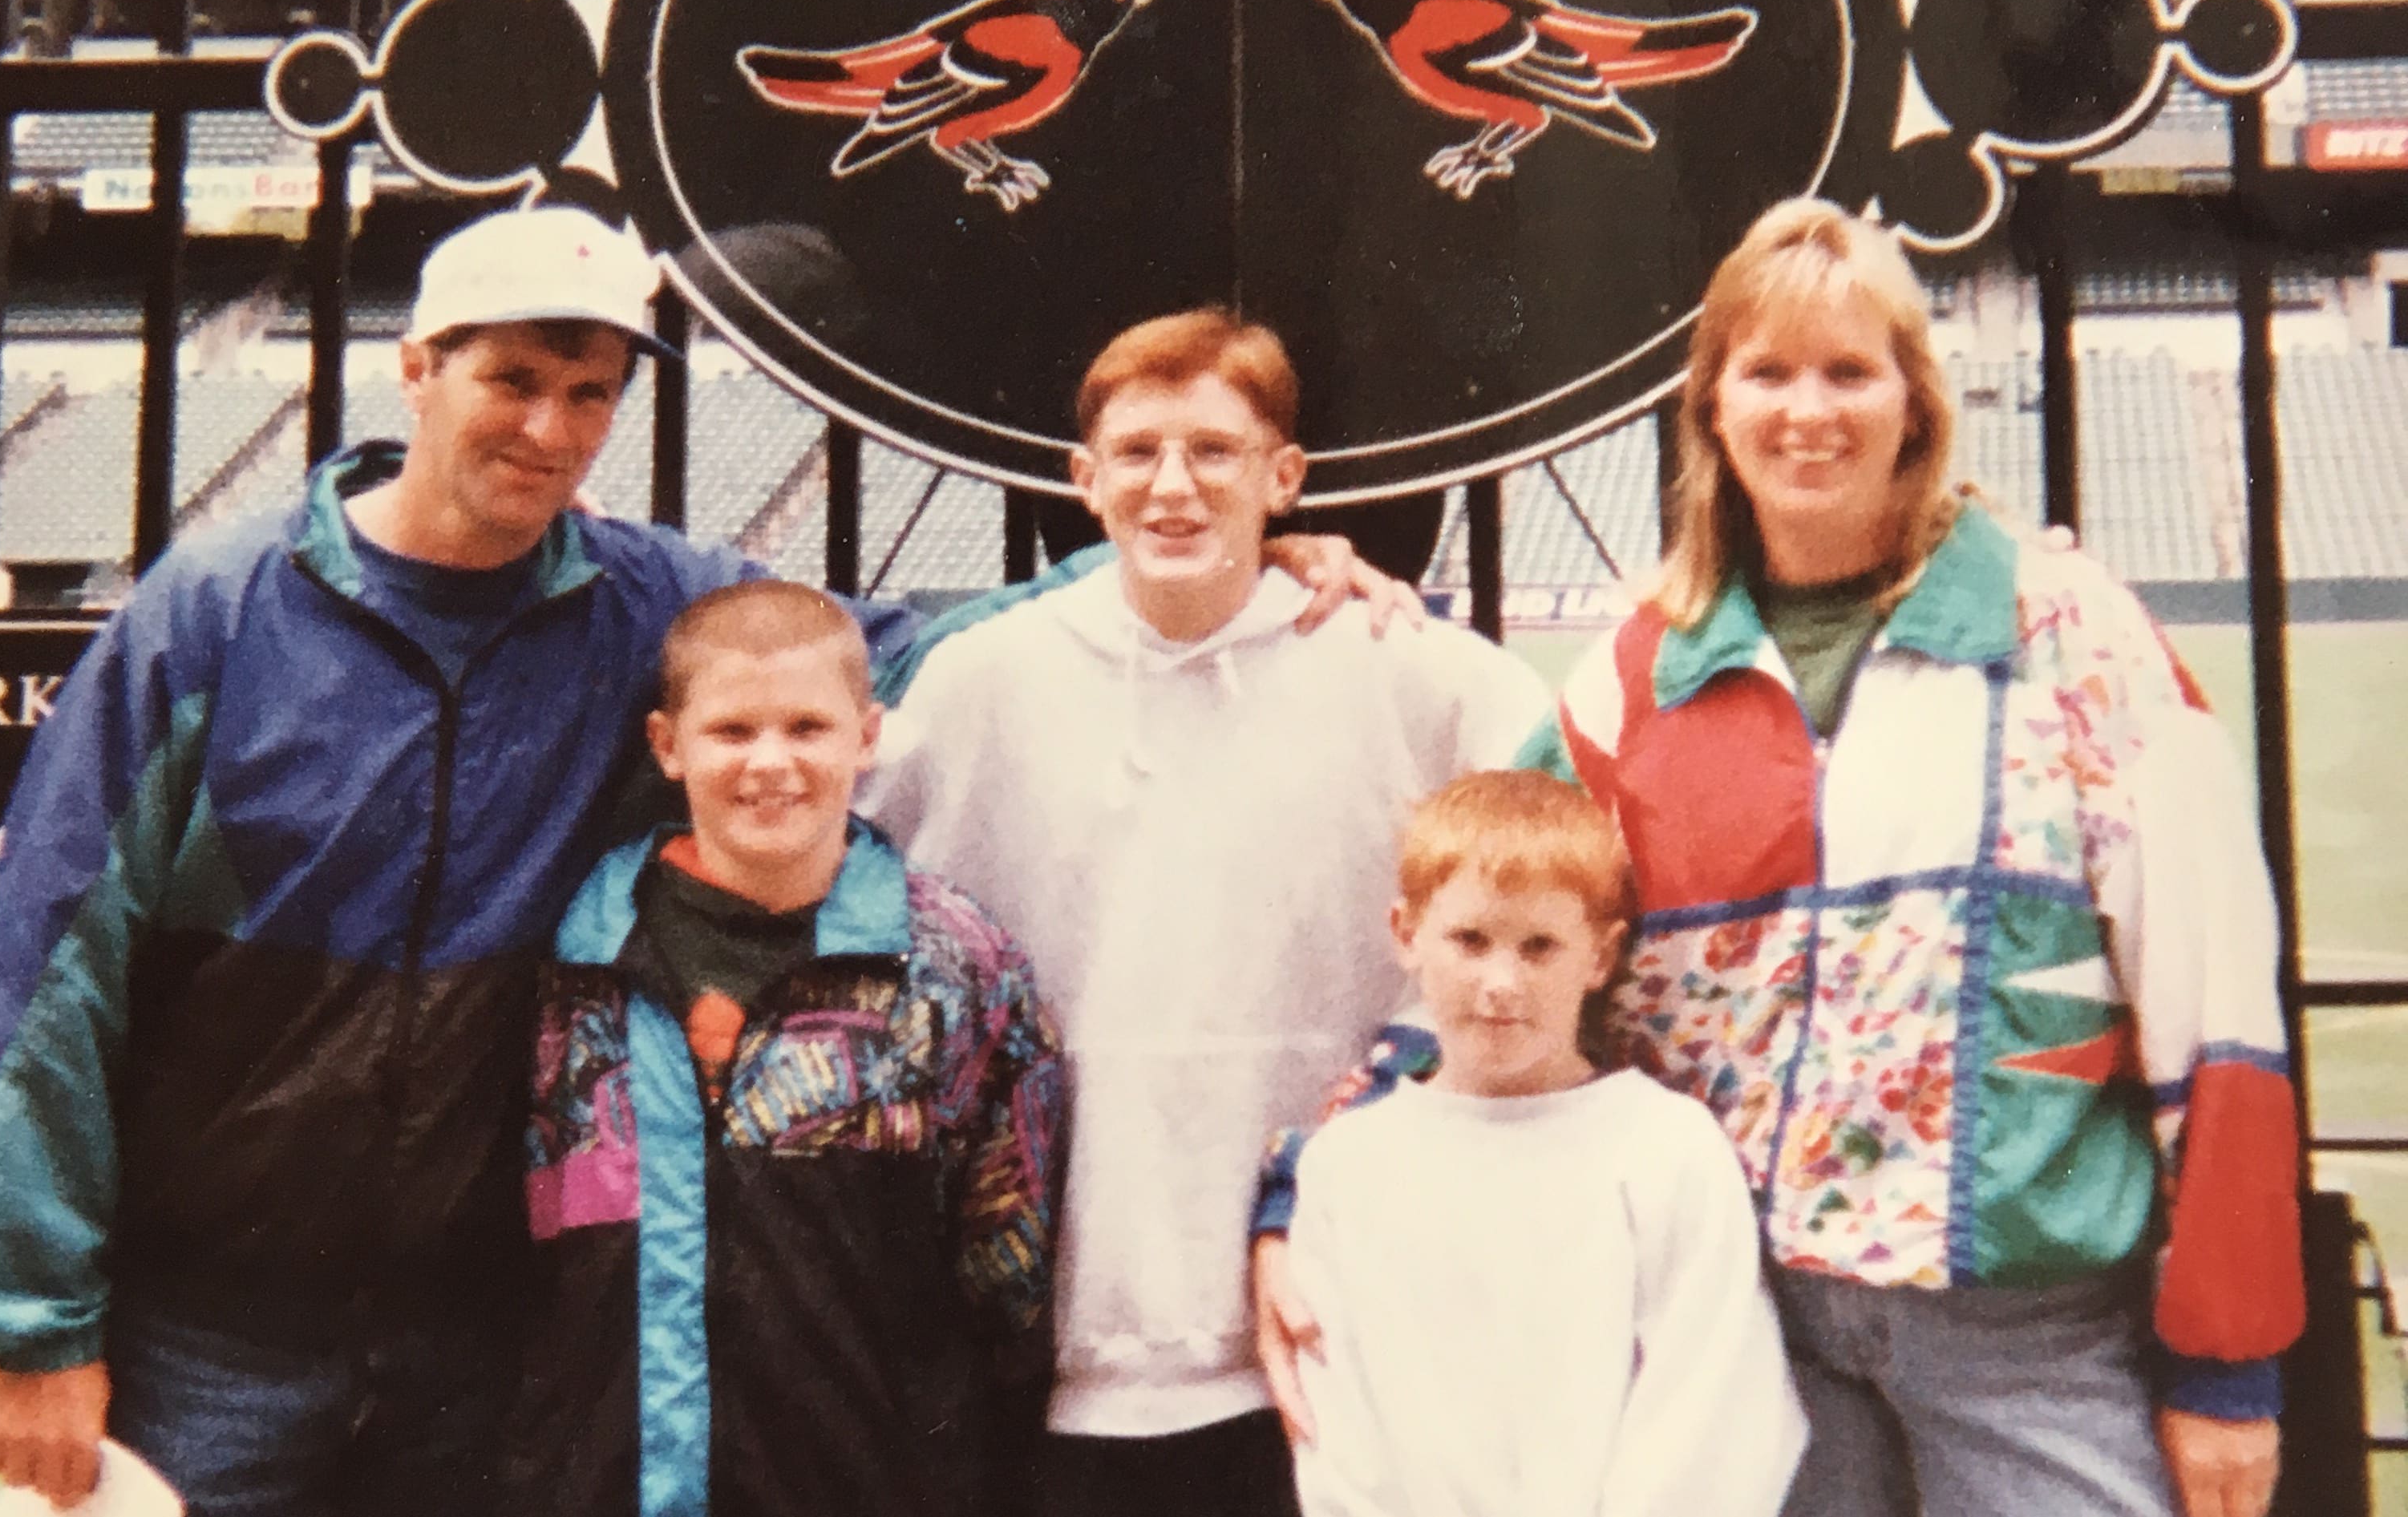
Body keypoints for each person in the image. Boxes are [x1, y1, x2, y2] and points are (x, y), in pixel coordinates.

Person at [0, 204, 1394, 1515]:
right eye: (514, 378)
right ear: (416, 369)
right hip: (219, 1324)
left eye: (590, 390)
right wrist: (32, 1323)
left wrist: (1200, 555)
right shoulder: (216, 614)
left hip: (476, 1331)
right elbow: (52, 968)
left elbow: (893, 648)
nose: (552, 426)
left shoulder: (640, 597)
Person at [1257, 199, 2305, 1517]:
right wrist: (1303, 1184)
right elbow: (1492, 927)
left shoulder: (2074, 642)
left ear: (1913, 401)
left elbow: (2218, 1023)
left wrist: (2226, 1367)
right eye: (1764, 372)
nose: (1805, 410)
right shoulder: (1631, 678)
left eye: (1847, 370)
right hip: (1752, 1330)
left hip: (2022, 1333)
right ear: (1709, 406)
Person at [861, 308, 1552, 1517]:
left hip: (1326, 1305)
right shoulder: (983, 678)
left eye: (1215, 452)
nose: (1173, 485)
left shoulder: (1402, 666)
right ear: (1083, 479)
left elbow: (1563, 829)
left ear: (1285, 478)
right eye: (1136, 454)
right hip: (1068, 1319)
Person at [502, 581, 1062, 1517]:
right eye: (732, 731)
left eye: (807, 727)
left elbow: (1008, 1270)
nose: (772, 763)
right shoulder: (576, 959)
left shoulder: (956, 968)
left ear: (868, 737)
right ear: (667, 746)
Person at [1285, 769, 1803, 1517]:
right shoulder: (1349, 1166)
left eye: (1539, 946)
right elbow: (1343, 1429)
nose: (1501, 981)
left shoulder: (1663, 1147)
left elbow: (1714, 1404)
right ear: (1406, 934)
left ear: (1599, 955)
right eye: (1470, 939)